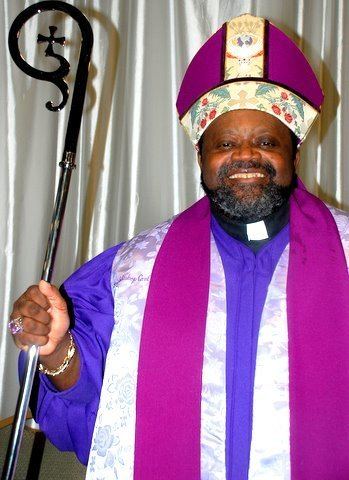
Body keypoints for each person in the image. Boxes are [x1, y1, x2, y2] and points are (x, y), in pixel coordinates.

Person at [9, 13, 349, 480]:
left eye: (266, 141)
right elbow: (85, 411)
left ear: (293, 153)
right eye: (225, 143)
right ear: (201, 157)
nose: (246, 156)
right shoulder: (128, 273)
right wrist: (55, 348)